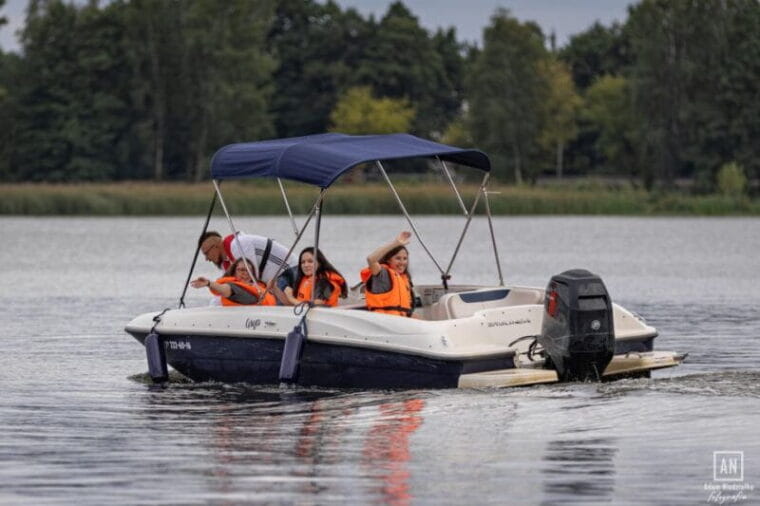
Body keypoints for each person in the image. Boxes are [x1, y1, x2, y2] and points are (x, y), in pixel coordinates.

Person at [198, 230, 297, 285]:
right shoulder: (226, 263)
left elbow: (251, 277)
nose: (207, 259)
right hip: (274, 282)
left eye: (206, 253)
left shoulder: (238, 244)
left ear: (215, 247)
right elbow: (226, 286)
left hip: (290, 271)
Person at [360, 231, 414, 317]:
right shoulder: (382, 274)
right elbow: (371, 259)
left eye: (405, 258)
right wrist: (395, 243)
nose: (402, 262)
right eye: (398, 258)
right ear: (388, 259)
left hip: (402, 322)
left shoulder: (404, 279)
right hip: (384, 321)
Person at [191, 258, 276, 306]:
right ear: (234, 272)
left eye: (249, 271)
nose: (245, 274)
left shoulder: (260, 288)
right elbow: (227, 289)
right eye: (241, 270)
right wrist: (209, 284)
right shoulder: (231, 287)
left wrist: (274, 288)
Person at [282, 247, 347, 307]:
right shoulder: (304, 279)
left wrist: (291, 298)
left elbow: (315, 305)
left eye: (310, 261)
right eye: (303, 262)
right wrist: (275, 288)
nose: (306, 265)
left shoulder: (327, 283)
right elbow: (295, 304)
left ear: (319, 263)